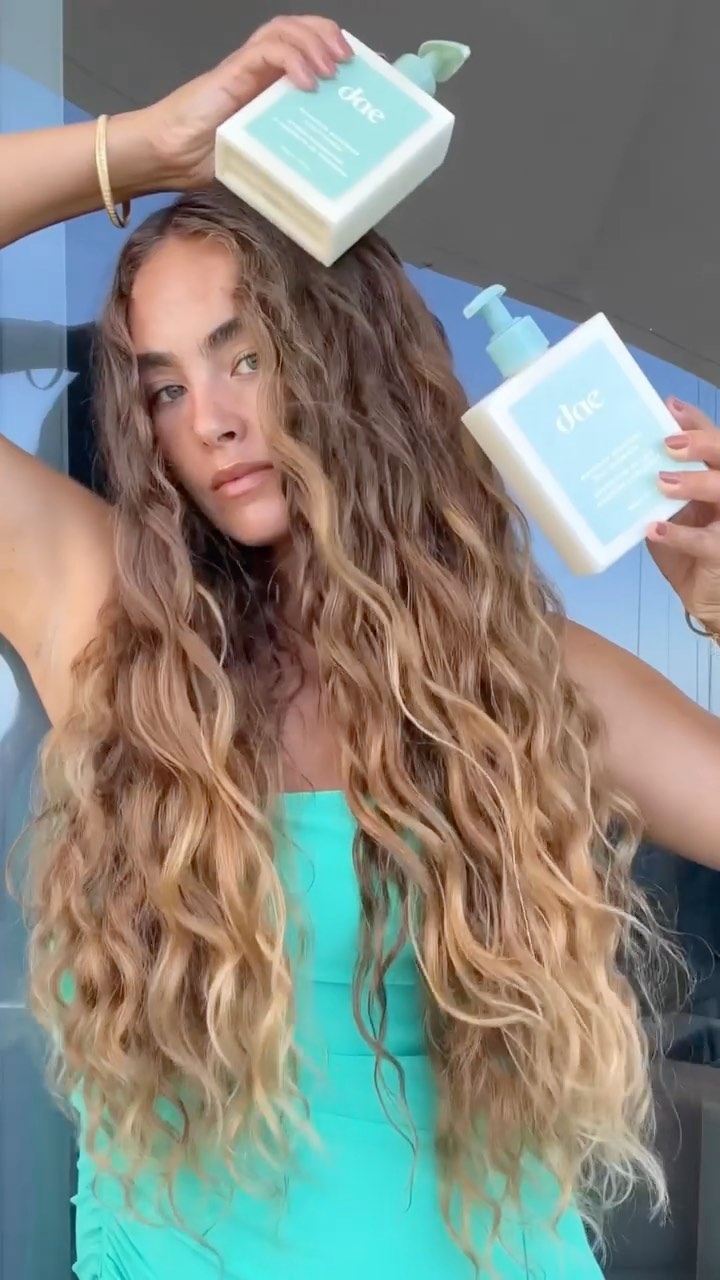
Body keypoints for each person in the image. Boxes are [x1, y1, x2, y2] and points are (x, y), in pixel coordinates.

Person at [3, 15, 720, 1280]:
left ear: (344, 360)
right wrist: (147, 148)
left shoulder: (519, 679)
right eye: (165, 387)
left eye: (247, 355)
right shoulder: (108, 626)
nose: (211, 419)